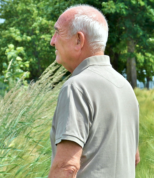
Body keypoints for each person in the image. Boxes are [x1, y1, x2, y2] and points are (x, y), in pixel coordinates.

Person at [48, 4, 140, 178]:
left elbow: (66, 167)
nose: (52, 41)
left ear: (78, 40)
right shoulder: (126, 87)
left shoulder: (76, 87)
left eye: (57, 32)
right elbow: (133, 158)